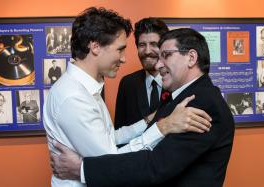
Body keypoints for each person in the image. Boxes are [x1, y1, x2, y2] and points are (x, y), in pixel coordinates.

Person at [44, 8, 212, 187]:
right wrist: (162, 127)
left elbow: (108, 138)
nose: (124, 59)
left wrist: (149, 121)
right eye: (120, 50)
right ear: (95, 47)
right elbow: (112, 162)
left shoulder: (86, 89)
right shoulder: (73, 97)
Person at [115, 18, 168, 129]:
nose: (147, 51)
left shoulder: (178, 82)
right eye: (142, 45)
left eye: (154, 44)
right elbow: (119, 129)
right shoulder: (127, 84)